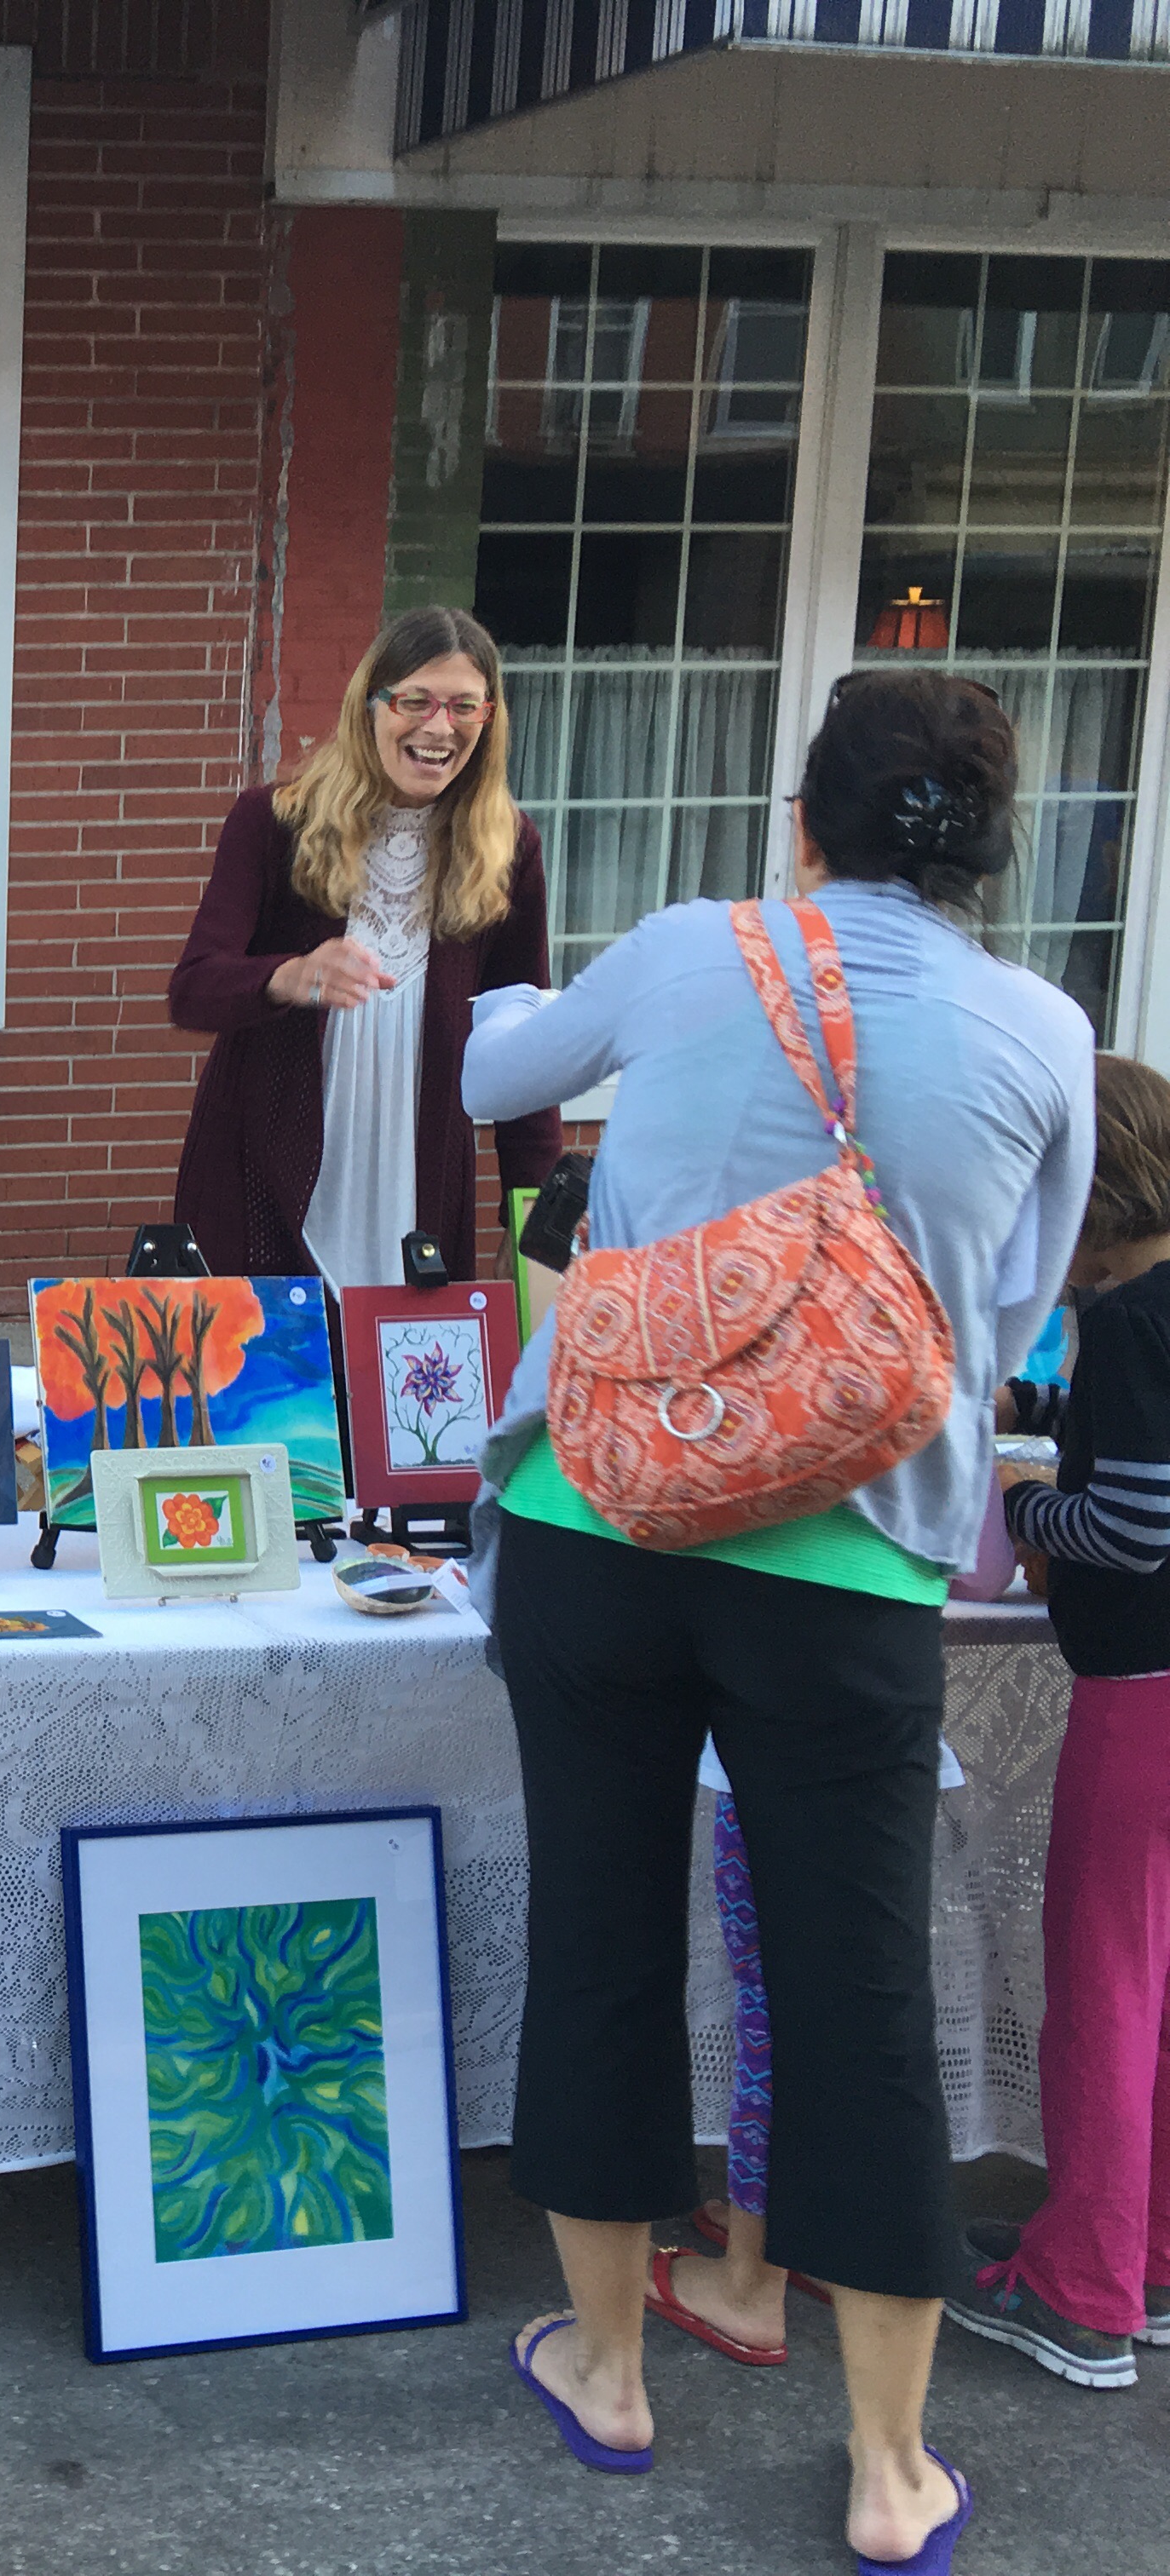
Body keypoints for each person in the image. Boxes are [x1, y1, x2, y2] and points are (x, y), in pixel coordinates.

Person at [460, 670, 1093, 2571]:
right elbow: (1009, 1303)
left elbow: (497, 1083)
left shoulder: (688, 948)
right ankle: (891, 2468)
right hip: (850, 1565)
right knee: (857, 1991)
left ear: (800, 824)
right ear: (990, 855)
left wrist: (501, 1009)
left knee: (598, 1934)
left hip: (601, 1520)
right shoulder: (1046, 1031)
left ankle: (608, 2366)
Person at [948, 1050, 1170, 2389]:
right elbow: (1130, 1434)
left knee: (1102, 1991)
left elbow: (1135, 1524)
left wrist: (1023, 1509)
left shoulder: (1130, 1320)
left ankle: (1080, 2291)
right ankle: (1147, 2256)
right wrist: (1028, 1409)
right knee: (1159, 1990)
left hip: (1140, 1702)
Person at [169, 607, 559, 1286]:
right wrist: (288, 977)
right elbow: (194, 990)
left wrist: (533, 1222)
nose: (439, 727)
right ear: (371, 705)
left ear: (488, 719)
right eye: (416, 701)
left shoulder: (507, 849)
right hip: (263, 1179)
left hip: (419, 1186)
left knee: (408, 1354)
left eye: (464, 706)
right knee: (267, 1360)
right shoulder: (274, 823)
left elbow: (527, 1051)